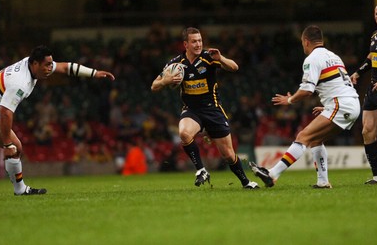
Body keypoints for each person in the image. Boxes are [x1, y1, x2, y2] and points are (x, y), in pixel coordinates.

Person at [0, 45, 115, 195]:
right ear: (35, 64)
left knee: (15, 148)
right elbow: (6, 112)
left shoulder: (31, 65)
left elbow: (65, 67)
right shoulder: (20, 83)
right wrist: (6, 143)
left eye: (51, 64)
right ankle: (20, 190)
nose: (50, 68)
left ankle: (20, 189)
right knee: (14, 147)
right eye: (47, 65)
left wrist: (94, 73)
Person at [249, 25, 360, 189]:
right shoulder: (334, 56)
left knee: (303, 137)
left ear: (306, 41)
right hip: (350, 103)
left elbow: (307, 90)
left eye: (302, 42)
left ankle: (273, 174)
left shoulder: (312, 59)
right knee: (316, 140)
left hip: (341, 104)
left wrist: (290, 100)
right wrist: (329, 106)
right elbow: (339, 84)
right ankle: (322, 181)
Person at [151, 27, 258, 189]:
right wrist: (165, 81)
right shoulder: (175, 64)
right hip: (192, 110)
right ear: (185, 44)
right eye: (194, 41)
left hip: (213, 110)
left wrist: (221, 58)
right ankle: (201, 170)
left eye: (200, 40)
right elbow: (154, 85)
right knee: (184, 133)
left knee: (228, 154)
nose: (198, 44)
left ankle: (246, 182)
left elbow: (235, 67)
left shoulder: (209, 57)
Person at [350, 2, 377, 185]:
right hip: (376, 90)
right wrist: (359, 72)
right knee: (367, 131)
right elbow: (372, 57)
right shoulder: (375, 36)